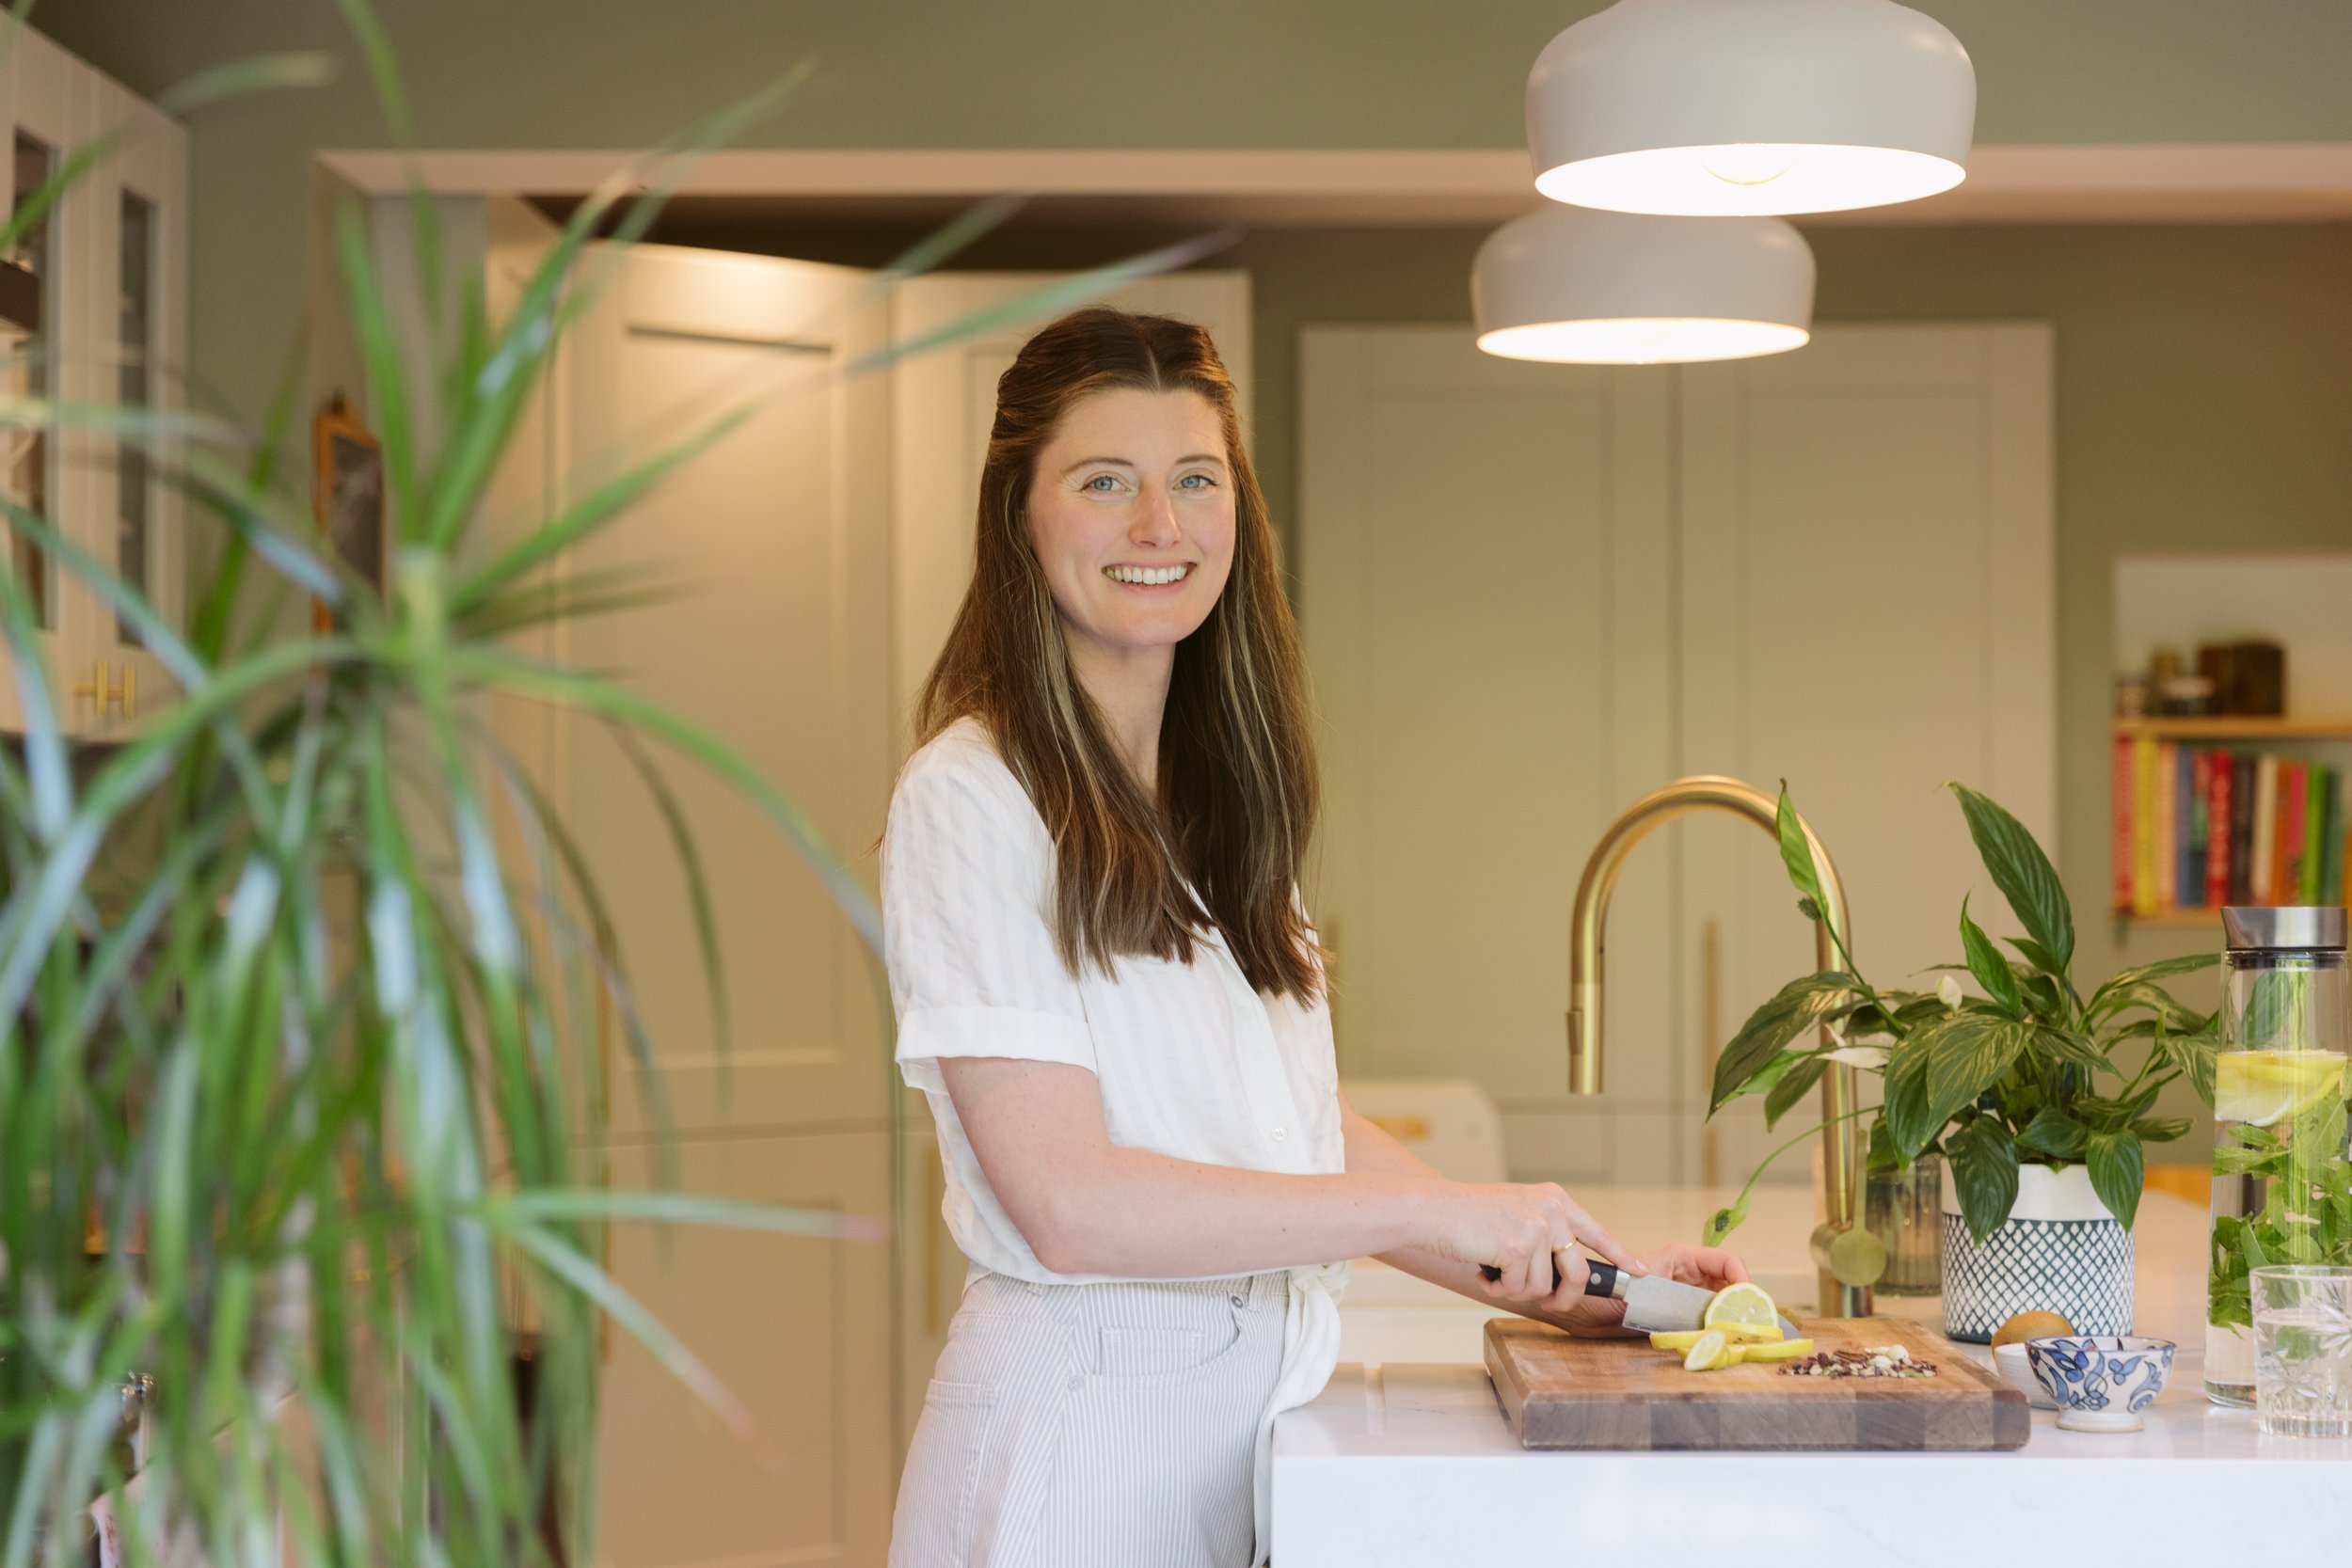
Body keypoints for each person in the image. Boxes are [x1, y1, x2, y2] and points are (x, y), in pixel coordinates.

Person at [882, 307, 1747, 1568]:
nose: (1158, 527)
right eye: (1103, 481)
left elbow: (1281, 1127)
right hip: (1071, 1458)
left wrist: (1550, 1267)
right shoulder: (972, 797)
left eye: (1194, 479)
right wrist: (1452, 1221)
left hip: (1240, 1435)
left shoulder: (1216, 800)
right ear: (1019, 512)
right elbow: (1066, 1202)